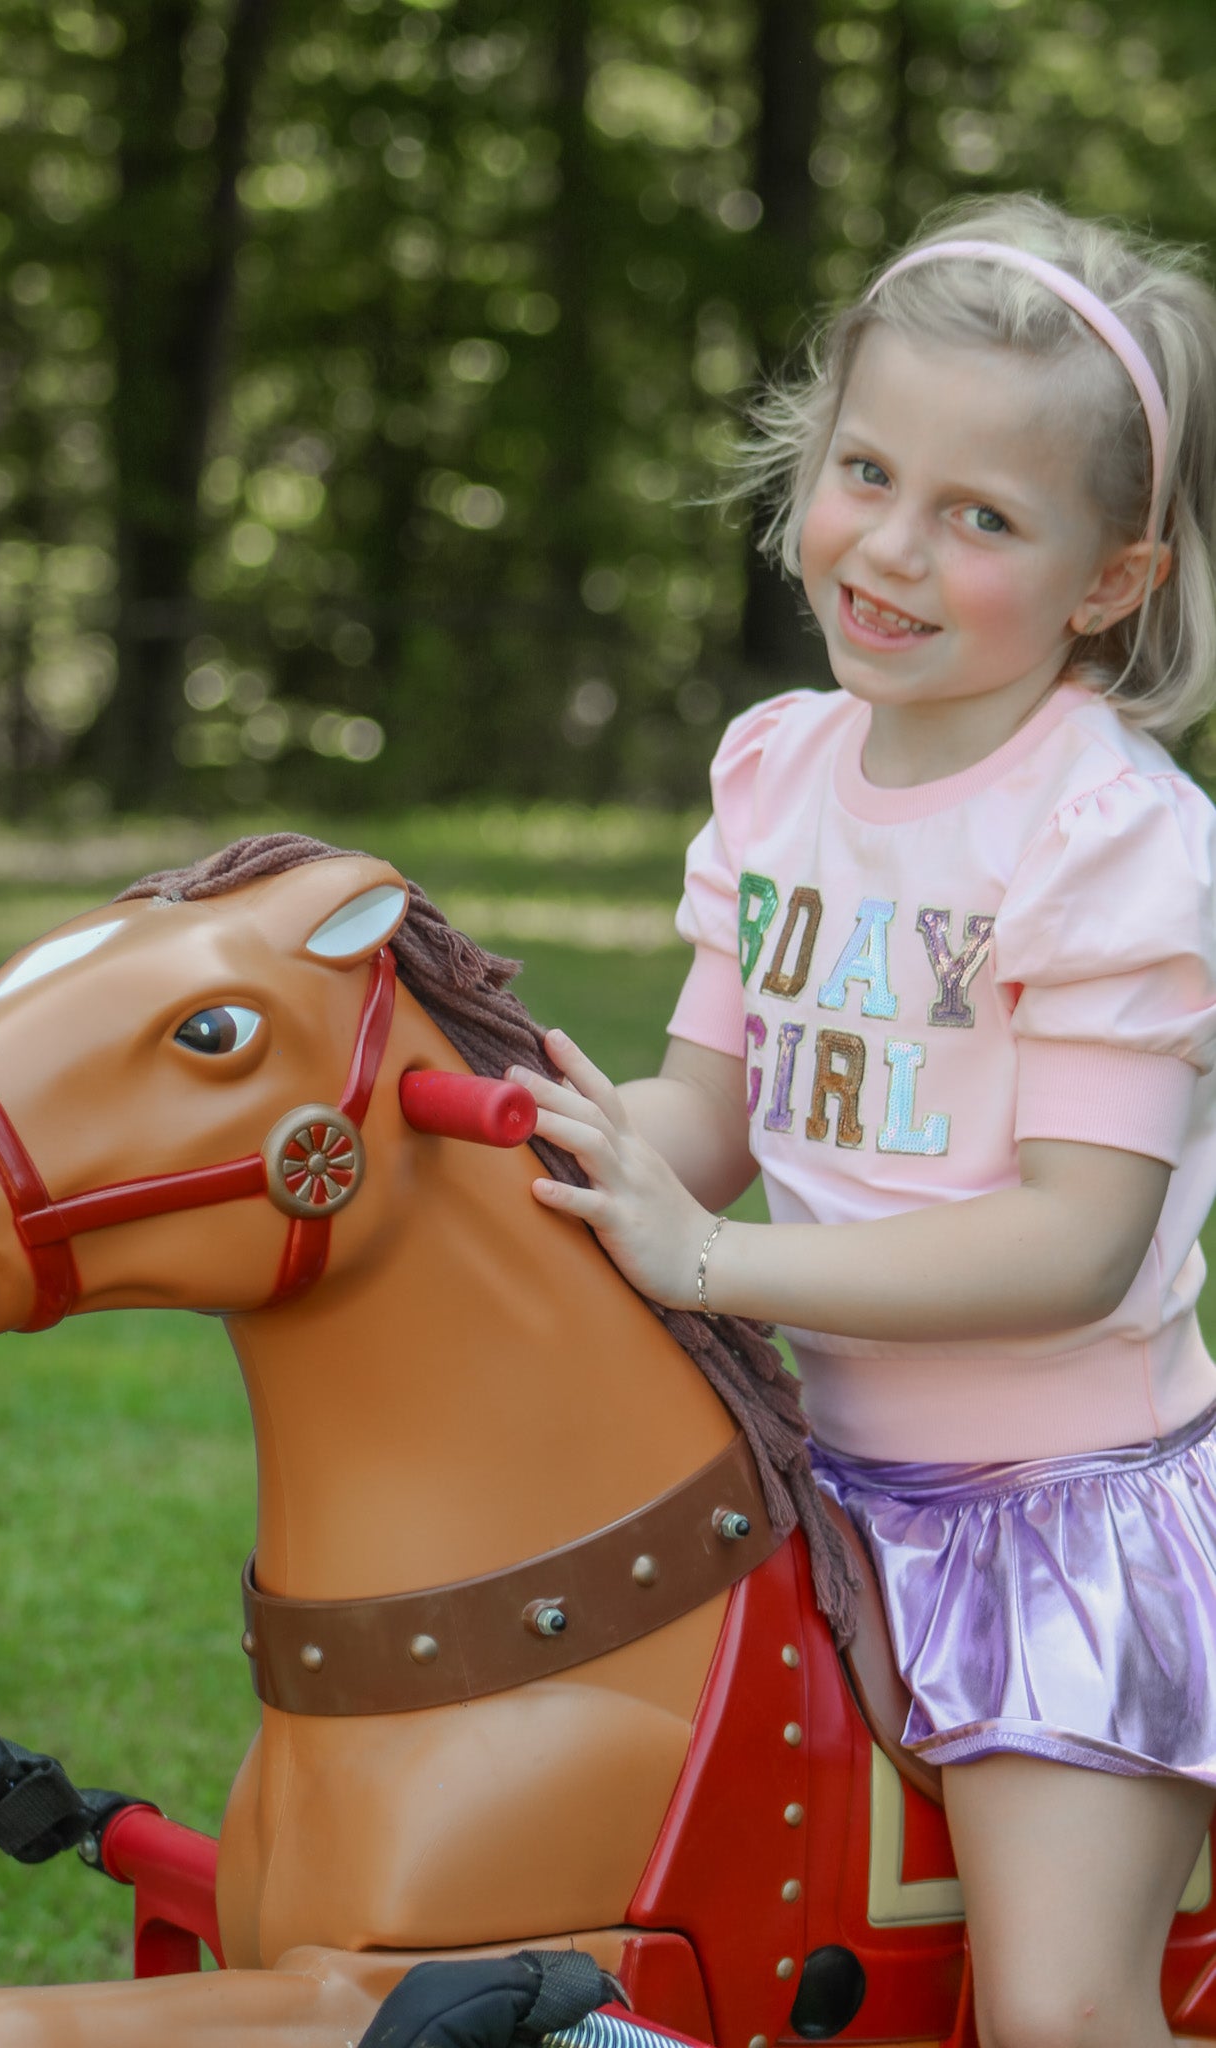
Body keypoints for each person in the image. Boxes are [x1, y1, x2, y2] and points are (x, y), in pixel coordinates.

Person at [509, 195, 1216, 2048]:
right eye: (867, 473)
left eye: (982, 518)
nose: (892, 548)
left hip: (1055, 1521)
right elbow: (706, 1110)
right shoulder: (779, 767)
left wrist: (713, 1261)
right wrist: (537, 1148)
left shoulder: (1105, 839)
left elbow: (1076, 1243)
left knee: (1055, 2011)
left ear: (1107, 583)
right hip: (798, 1483)